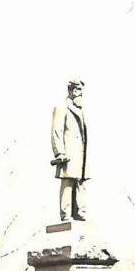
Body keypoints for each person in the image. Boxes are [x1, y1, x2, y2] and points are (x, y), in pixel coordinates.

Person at [51, 78, 90, 221]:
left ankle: (80, 211)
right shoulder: (62, 107)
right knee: (67, 182)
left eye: (81, 90)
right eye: (78, 89)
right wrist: (59, 152)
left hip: (81, 153)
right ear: (71, 90)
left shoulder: (82, 110)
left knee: (80, 182)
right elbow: (57, 130)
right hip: (69, 152)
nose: (80, 93)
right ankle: (66, 213)